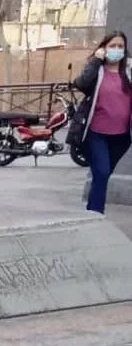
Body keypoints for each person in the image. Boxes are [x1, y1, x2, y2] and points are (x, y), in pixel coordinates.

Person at [70, 30, 132, 215]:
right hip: (96, 133)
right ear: (104, 48)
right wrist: (96, 61)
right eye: (112, 46)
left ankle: (91, 212)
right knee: (102, 172)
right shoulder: (97, 70)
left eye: (120, 46)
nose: (117, 49)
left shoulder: (128, 72)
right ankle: (96, 213)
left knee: (102, 175)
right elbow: (81, 84)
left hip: (122, 137)